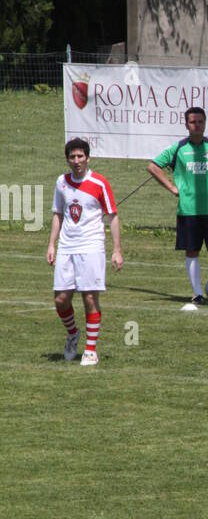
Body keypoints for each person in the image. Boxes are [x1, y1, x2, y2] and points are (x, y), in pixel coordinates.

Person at [47, 138, 123, 366]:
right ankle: (73, 335)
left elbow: (113, 215)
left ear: (88, 158)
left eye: (81, 156)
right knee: (61, 299)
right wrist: (52, 244)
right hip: (67, 247)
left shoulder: (99, 183)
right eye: (72, 157)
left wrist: (117, 250)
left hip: (91, 246)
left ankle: (90, 350)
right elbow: (58, 214)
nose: (77, 160)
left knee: (89, 297)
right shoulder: (61, 182)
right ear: (67, 159)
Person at [147, 107, 208, 304]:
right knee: (192, 251)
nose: (197, 125)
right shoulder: (178, 149)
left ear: (205, 123)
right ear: (186, 125)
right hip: (189, 211)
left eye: (200, 122)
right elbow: (153, 167)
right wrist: (172, 187)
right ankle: (197, 294)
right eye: (193, 122)